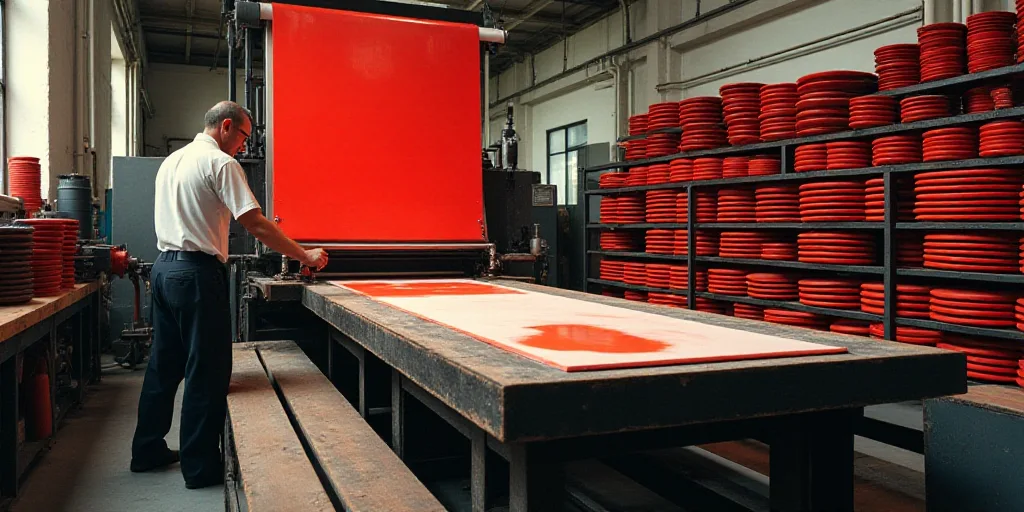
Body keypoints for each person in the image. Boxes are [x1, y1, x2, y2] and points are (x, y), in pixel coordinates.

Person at [130, 101, 328, 488]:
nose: (243, 146)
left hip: (165, 270)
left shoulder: (172, 161)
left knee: (163, 367)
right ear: (225, 126)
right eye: (243, 137)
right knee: (206, 372)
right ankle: (200, 468)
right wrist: (305, 254)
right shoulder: (221, 164)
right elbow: (254, 223)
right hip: (196, 275)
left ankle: (147, 449)